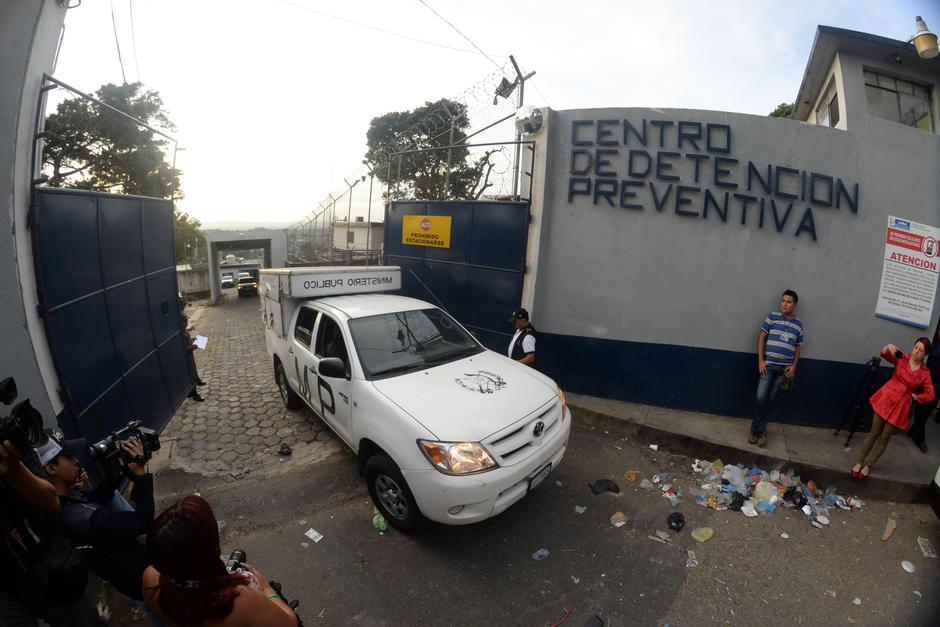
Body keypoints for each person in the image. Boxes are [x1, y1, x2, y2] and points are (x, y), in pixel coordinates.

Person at [142, 495, 299, 627]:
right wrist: (266, 589)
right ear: (209, 548)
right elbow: (290, 623)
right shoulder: (240, 600)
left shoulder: (150, 579)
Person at [39, 431, 156, 605]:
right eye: (69, 457)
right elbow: (143, 521)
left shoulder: (64, 501)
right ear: (51, 468)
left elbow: (93, 498)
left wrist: (119, 471)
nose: (76, 460)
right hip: (142, 584)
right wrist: (140, 474)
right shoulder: (84, 519)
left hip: (128, 576)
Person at [0, 438, 104, 627]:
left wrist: (13, 469)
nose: (76, 461)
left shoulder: (11, 445)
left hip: (56, 573)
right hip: (9, 587)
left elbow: (50, 504)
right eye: (69, 457)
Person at [852, 338, 935, 479]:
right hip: (886, 398)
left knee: (884, 438)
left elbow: (931, 395)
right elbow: (884, 354)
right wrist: (887, 347)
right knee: (873, 433)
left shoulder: (925, 373)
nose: (917, 352)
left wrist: (916, 397)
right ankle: (860, 462)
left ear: (925, 355)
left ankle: (868, 465)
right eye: (916, 348)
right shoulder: (902, 358)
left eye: (921, 351)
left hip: (901, 407)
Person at [750, 290, 804, 447]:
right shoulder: (772, 317)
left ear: (795, 305)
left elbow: (798, 348)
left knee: (769, 400)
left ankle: (760, 430)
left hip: (784, 370)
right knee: (761, 397)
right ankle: (755, 427)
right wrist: (761, 361)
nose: (785, 304)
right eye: (783, 301)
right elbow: (761, 338)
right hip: (768, 366)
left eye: (788, 302)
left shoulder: (798, 324)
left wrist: (793, 367)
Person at [910, 327, 940, 453]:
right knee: (921, 411)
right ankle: (920, 438)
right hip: (928, 382)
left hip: (937, 386)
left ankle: (913, 432)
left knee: (926, 412)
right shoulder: (935, 345)